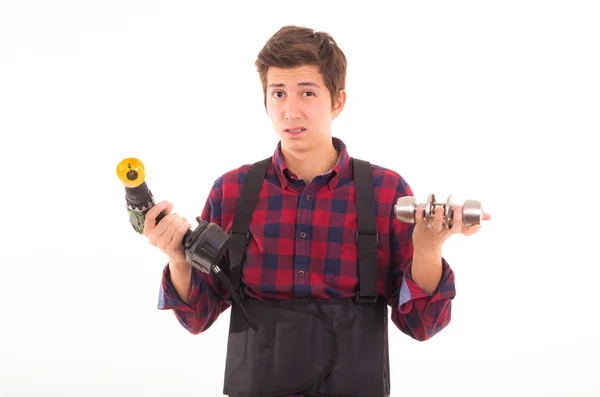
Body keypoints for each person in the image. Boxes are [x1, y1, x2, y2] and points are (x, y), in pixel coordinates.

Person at [143, 25, 490, 397]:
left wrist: (427, 249)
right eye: (278, 93)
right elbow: (197, 316)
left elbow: (423, 325)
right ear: (265, 101)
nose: (291, 110)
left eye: (307, 92)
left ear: (337, 101)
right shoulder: (232, 191)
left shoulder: (385, 191)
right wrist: (178, 259)